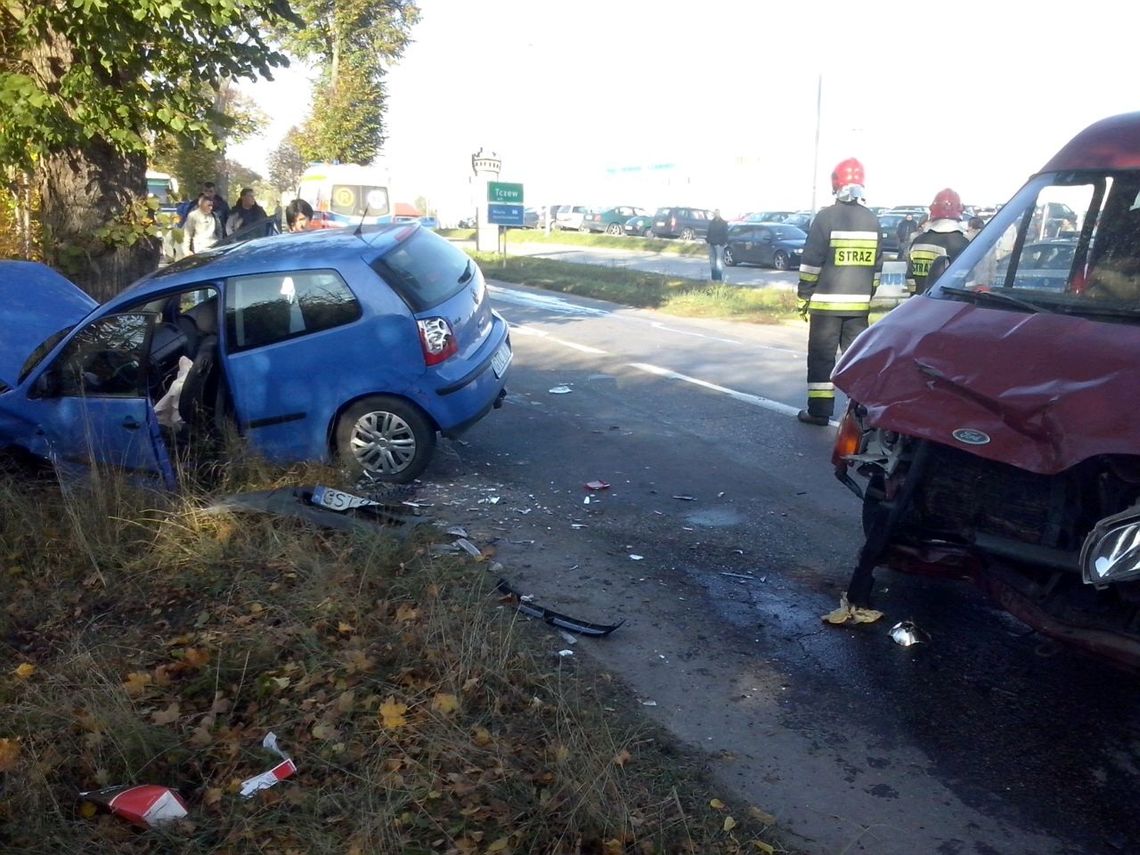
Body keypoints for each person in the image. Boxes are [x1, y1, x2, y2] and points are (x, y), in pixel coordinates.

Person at [795, 157, 882, 426]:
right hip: (858, 307)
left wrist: (805, 294)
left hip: (825, 306)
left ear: (835, 184)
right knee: (858, 359)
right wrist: (867, 295)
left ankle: (819, 412)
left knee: (822, 359)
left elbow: (811, 262)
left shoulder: (825, 218)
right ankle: (863, 411)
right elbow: (876, 269)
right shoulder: (872, 220)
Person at [906, 188, 970, 295]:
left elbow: (910, 278)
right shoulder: (961, 243)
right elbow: (967, 283)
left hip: (918, 304)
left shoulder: (918, 241)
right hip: (945, 307)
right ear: (959, 210)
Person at [706, 209, 729, 281]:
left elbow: (725, 234)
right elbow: (709, 232)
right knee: (712, 262)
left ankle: (718, 279)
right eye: (715, 213)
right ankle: (713, 278)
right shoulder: (711, 223)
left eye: (717, 213)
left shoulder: (723, 223)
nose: (716, 214)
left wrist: (722, 243)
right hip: (711, 244)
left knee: (718, 262)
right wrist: (708, 241)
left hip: (719, 245)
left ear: (719, 214)